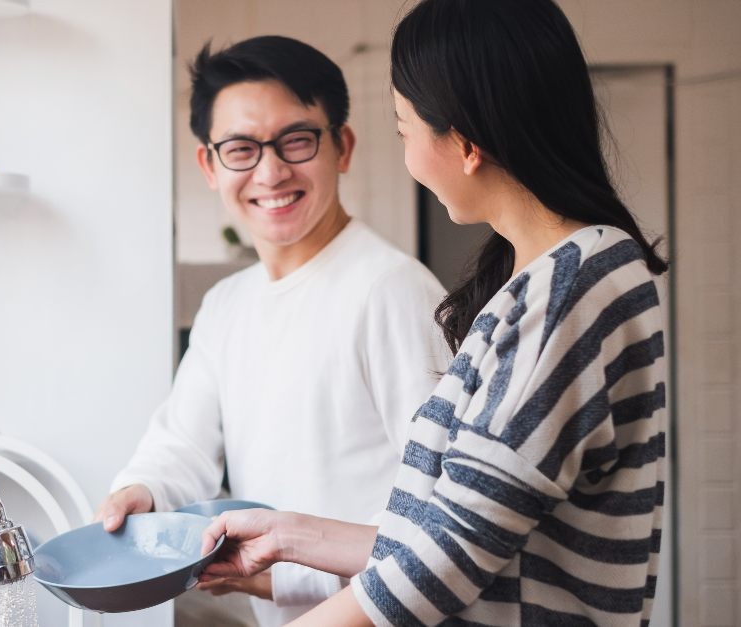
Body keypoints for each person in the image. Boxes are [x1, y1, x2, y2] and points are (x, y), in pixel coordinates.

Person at [199, 1, 670, 625]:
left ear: (466, 142)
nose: (407, 157)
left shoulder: (569, 291)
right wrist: (286, 536)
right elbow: (446, 528)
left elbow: (449, 558)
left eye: (404, 128)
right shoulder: (545, 282)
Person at [95, 36, 450, 625]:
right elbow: (182, 446)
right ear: (209, 165)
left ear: (343, 146)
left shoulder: (392, 291)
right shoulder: (227, 305)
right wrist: (144, 492)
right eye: (240, 148)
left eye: (296, 139)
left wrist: (272, 577)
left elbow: (444, 519)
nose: (271, 170)